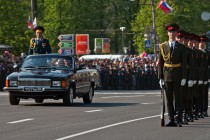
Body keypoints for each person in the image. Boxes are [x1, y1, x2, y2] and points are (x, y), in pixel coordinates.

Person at [158, 23, 187, 127]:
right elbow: (160, 63)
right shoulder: (163, 46)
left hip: (178, 75)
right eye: (170, 31)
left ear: (176, 32)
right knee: (169, 99)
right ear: (168, 33)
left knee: (178, 99)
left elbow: (184, 63)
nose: (172, 33)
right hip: (166, 76)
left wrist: (184, 77)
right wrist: (160, 77)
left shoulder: (181, 47)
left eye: (174, 31)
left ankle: (178, 118)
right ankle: (171, 119)